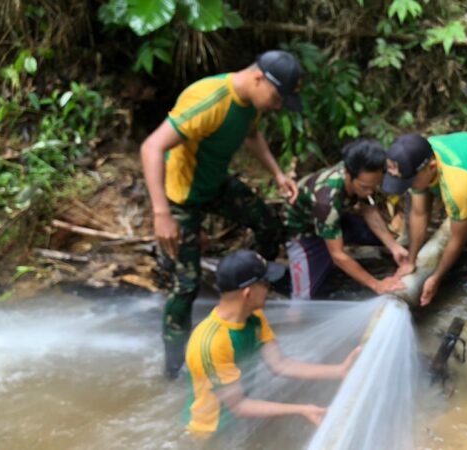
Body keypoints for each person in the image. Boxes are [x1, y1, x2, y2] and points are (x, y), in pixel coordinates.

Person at [140, 50, 302, 379]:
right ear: (258, 78)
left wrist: (278, 173)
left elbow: (252, 135)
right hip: (181, 197)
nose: (276, 106)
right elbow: (152, 147)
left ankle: (247, 289)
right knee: (186, 285)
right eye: (276, 97)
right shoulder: (210, 99)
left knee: (268, 224)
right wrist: (162, 214)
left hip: (214, 184)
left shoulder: (250, 103)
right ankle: (171, 368)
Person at [184, 250, 360, 439]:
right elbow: (239, 406)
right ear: (247, 293)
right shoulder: (211, 343)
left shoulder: (253, 317)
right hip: (210, 433)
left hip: (236, 419)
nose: (270, 289)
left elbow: (281, 364)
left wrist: (340, 371)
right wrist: (303, 410)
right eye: (265, 283)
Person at [381, 133, 467, 323]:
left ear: (431, 168)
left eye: (410, 182)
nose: (409, 186)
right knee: (421, 199)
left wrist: (436, 277)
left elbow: (458, 238)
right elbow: (419, 213)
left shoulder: (456, 185)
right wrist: (411, 260)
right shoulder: (419, 154)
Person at [282, 139, 410, 299]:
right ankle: (278, 276)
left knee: (385, 239)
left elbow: (369, 210)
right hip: (304, 232)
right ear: (348, 175)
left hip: (337, 218)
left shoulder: (361, 174)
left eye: (374, 186)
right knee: (305, 299)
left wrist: (393, 246)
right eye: (365, 187)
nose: (370, 192)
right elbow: (338, 255)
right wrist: (376, 284)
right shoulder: (326, 201)